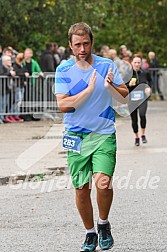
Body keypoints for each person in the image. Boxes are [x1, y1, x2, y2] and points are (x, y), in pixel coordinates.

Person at [54, 22, 128, 251]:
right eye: (77, 44)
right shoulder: (63, 70)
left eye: (86, 43)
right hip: (76, 135)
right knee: (81, 188)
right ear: (70, 45)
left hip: (103, 133)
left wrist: (110, 88)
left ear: (92, 42)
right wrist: (87, 91)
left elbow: (124, 96)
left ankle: (103, 225)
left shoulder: (106, 65)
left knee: (103, 183)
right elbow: (63, 105)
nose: (82, 48)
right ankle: (89, 233)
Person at [126, 55, 152, 146]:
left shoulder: (145, 73)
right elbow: (123, 87)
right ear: (132, 63)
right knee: (134, 120)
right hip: (132, 100)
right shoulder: (127, 74)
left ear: (141, 63)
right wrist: (129, 85)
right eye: (135, 62)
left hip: (142, 98)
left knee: (142, 114)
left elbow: (150, 81)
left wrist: (148, 89)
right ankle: (137, 137)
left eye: (138, 62)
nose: (137, 64)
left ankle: (143, 135)